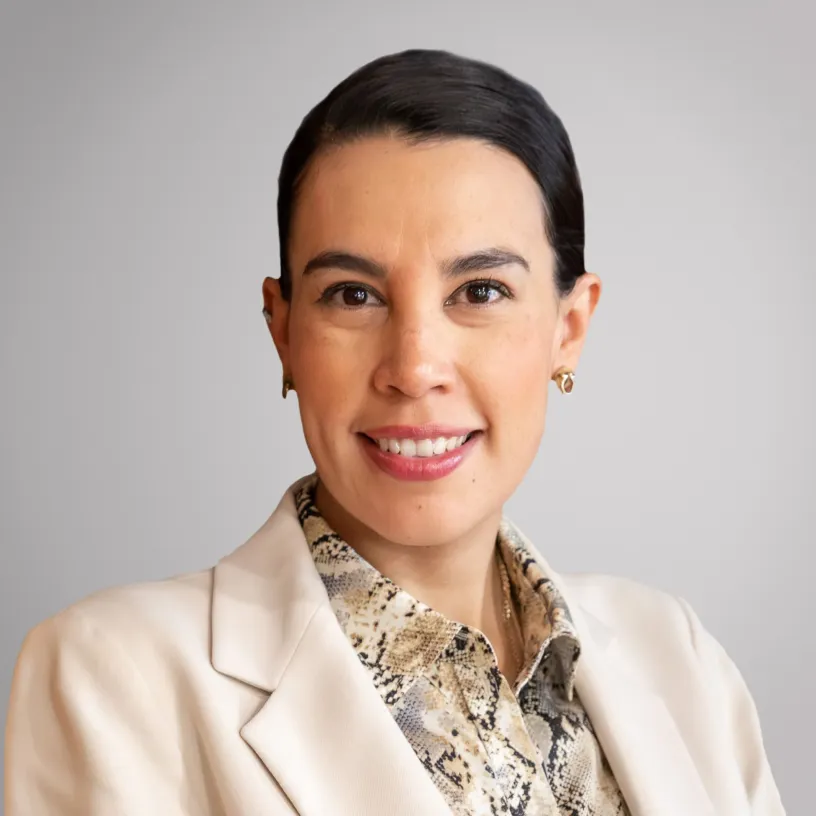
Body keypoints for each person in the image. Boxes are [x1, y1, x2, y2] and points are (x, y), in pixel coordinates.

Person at [4, 49, 785, 816]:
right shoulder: (110, 676)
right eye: (352, 295)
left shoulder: (677, 657)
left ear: (569, 328)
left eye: (480, 291)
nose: (413, 369)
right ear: (283, 332)